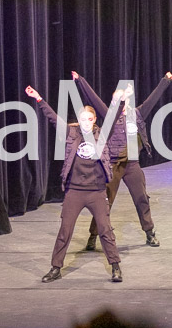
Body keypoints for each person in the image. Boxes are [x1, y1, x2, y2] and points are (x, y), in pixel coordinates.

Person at [25, 85, 123, 283]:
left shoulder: (102, 134)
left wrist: (118, 102)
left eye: (89, 119)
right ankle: (55, 268)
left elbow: (112, 118)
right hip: (75, 191)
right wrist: (39, 99)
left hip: (96, 192)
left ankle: (115, 266)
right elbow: (52, 117)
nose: (86, 123)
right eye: (82, 119)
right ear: (78, 120)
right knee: (65, 230)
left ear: (94, 120)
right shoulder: (71, 133)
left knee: (105, 230)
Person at [73, 71, 172, 249]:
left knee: (141, 198)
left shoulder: (137, 114)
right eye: (117, 99)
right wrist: (80, 81)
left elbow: (153, 99)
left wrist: (165, 81)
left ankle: (150, 232)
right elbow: (93, 98)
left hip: (132, 165)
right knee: (105, 201)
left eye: (123, 98)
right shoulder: (109, 116)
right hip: (113, 165)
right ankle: (93, 235)